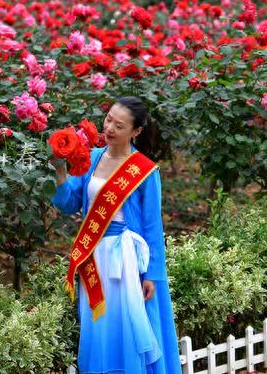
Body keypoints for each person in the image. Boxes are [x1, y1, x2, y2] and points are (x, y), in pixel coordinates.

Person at [51, 96, 182, 374]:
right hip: (93, 255)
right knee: (97, 326)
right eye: (108, 119)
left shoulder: (144, 171)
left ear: (135, 132)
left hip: (126, 260)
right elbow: (68, 203)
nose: (109, 128)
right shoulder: (93, 158)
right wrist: (61, 171)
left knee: (127, 327)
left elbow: (152, 227)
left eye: (119, 125)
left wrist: (153, 275)